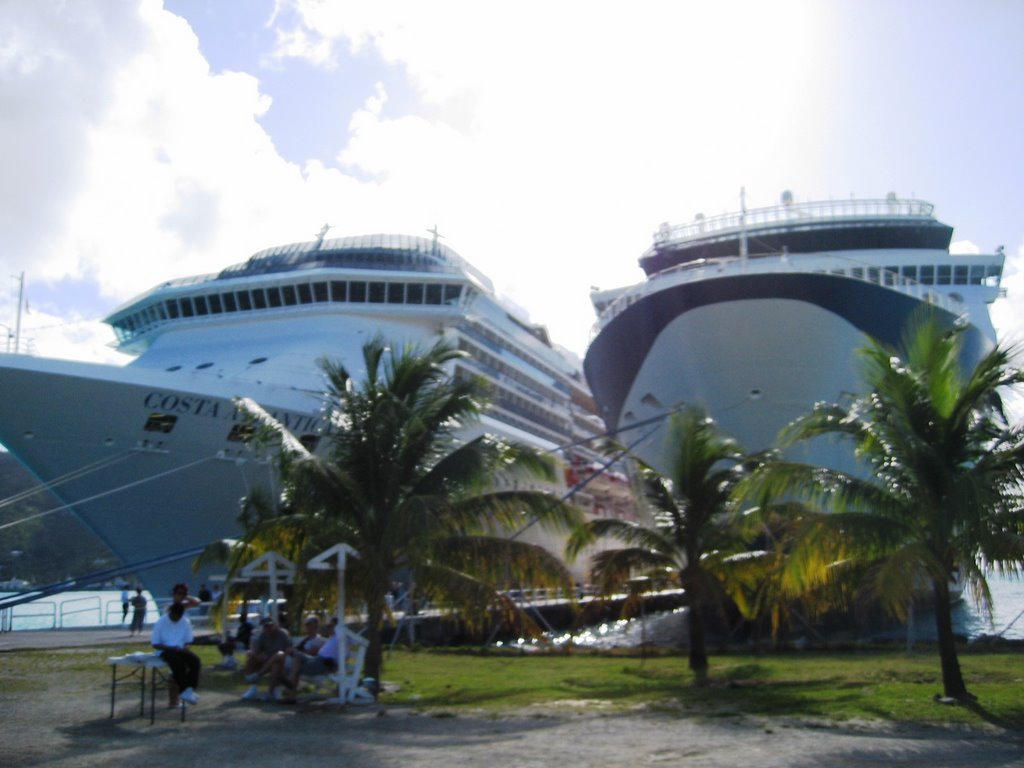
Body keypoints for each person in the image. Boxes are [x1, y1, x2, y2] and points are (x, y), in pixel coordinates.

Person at [267, 620, 338, 702]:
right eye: (327, 626)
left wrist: (335, 665)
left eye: (330, 626)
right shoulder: (331, 638)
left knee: (294, 663)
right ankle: (289, 689)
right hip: (316, 659)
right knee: (294, 660)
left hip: (324, 662)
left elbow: (343, 654)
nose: (327, 628)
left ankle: (290, 691)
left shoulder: (338, 638)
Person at [151, 601, 201, 705]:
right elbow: (155, 643)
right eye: (175, 616)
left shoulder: (185, 621)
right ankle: (183, 690)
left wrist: (185, 649)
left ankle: (190, 689)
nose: (177, 619)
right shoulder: (161, 622)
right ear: (171, 613)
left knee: (195, 661)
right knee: (177, 663)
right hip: (164, 649)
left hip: (180, 649)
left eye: (179, 616)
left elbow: (188, 641)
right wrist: (171, 648)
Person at [240, 616, 291, 701]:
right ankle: (253, 688)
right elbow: (258, 650)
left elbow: (288, 651)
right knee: (252, 659)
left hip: (282, 662)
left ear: (274, 625)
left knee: (277, 658)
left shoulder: (283, 634)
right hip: (268, 661)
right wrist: (256, 654)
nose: (267, 628)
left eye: (269, 626)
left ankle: (269, 690)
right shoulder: (263, 635)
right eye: (265, 626)